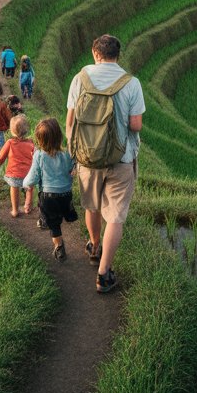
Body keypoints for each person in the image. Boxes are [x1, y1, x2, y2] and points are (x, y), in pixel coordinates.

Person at [66, 34, 145, 294]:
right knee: (115, 216)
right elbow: (136, 125)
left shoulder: (80, 79)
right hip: (121, 158)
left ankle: (94, 245)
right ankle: (104, 274)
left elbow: (70, 120)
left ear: (95, 53)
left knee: (92, 205)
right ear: (118, 55)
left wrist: (75, 152)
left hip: (87, 157)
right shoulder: (131, 83)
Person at [23, 117, 77, 260]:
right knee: (61, 211)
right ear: (59, 136)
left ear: (39, 140)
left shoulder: (39, 156)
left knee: (54, 224)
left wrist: (25, 183)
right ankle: (62, 214)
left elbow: (33, 177)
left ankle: (59, 246)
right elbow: (73, 167)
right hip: (66, 194)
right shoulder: (67, 154)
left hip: (48, 197)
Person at [0, 114, 36, 217]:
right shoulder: (31, 143)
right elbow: (35, 157)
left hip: (14, 174)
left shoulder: (10, 143)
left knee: (14, 188)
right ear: (26, 130)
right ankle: (27, 207)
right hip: (28, 174)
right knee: (29, 189)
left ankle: (15, 210)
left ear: (12, 131)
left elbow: (1, 156)